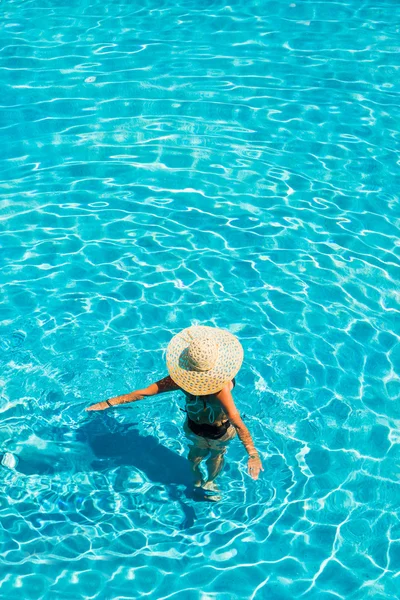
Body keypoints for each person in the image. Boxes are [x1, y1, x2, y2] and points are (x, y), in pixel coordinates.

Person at [87, 325, 263, 496]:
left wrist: (253, 454)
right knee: (202, 457)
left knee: (206, 456)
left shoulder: (205, 385)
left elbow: (236, 421)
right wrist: (108, 403)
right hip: (207, 429)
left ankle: (207, 481)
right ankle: (200, 480)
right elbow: (145, 393)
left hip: (207, 429)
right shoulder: (200, 382)